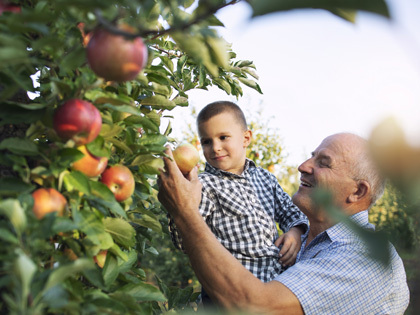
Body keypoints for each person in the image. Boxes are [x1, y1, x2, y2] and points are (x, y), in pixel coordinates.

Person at [158, 132, 410, 314]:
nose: (303, 166)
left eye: (324, 163)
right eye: (311, 157)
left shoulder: (365, 259)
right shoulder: (302, 243)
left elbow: (255, 307)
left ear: (357, 192)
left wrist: (185, 211)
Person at [168, 102, 308, 291]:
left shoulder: (265, 178)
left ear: (246, 138)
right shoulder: (204, 185)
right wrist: (180, 199)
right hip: (232, 290)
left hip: (275, 285)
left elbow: (290, 211)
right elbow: (185, 241)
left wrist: (295, 231)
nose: (215, 147)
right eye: (207, 142)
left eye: (223, 137)